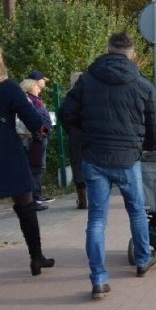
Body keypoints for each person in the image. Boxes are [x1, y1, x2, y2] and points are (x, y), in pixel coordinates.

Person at [59, 32, 156, 299]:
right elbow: (154, 126)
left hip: (94, 158)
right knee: (137, 212)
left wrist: (84, 137)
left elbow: (66, 113)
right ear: (132, 54)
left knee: (96, 220)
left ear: (107, 49)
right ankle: (142, 260)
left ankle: (99, 278)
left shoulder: (87, 80)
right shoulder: (142, 84)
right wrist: (147, 146)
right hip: (128, 158)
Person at [0, 39, 56, 293]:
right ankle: (36, 256)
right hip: (9, 154)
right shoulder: (9, 88)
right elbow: (34, 121)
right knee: (25, 205)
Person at [21, 77, 55, 208]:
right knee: (34, 167)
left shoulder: (35, 100)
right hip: (32, 136)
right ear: (30, 87)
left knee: (39, 166)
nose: (39, 89)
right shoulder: (28, 100)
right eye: (36, 87)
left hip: (40, 135)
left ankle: (37, 195)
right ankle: (32, 198)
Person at [66, 72, 88, 210]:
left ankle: (82, 197)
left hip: (75, 132)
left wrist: (71, 128)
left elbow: (64, 113)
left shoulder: (70, 96)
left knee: (77, 163)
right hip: (92, 132)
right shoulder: (93, 93)